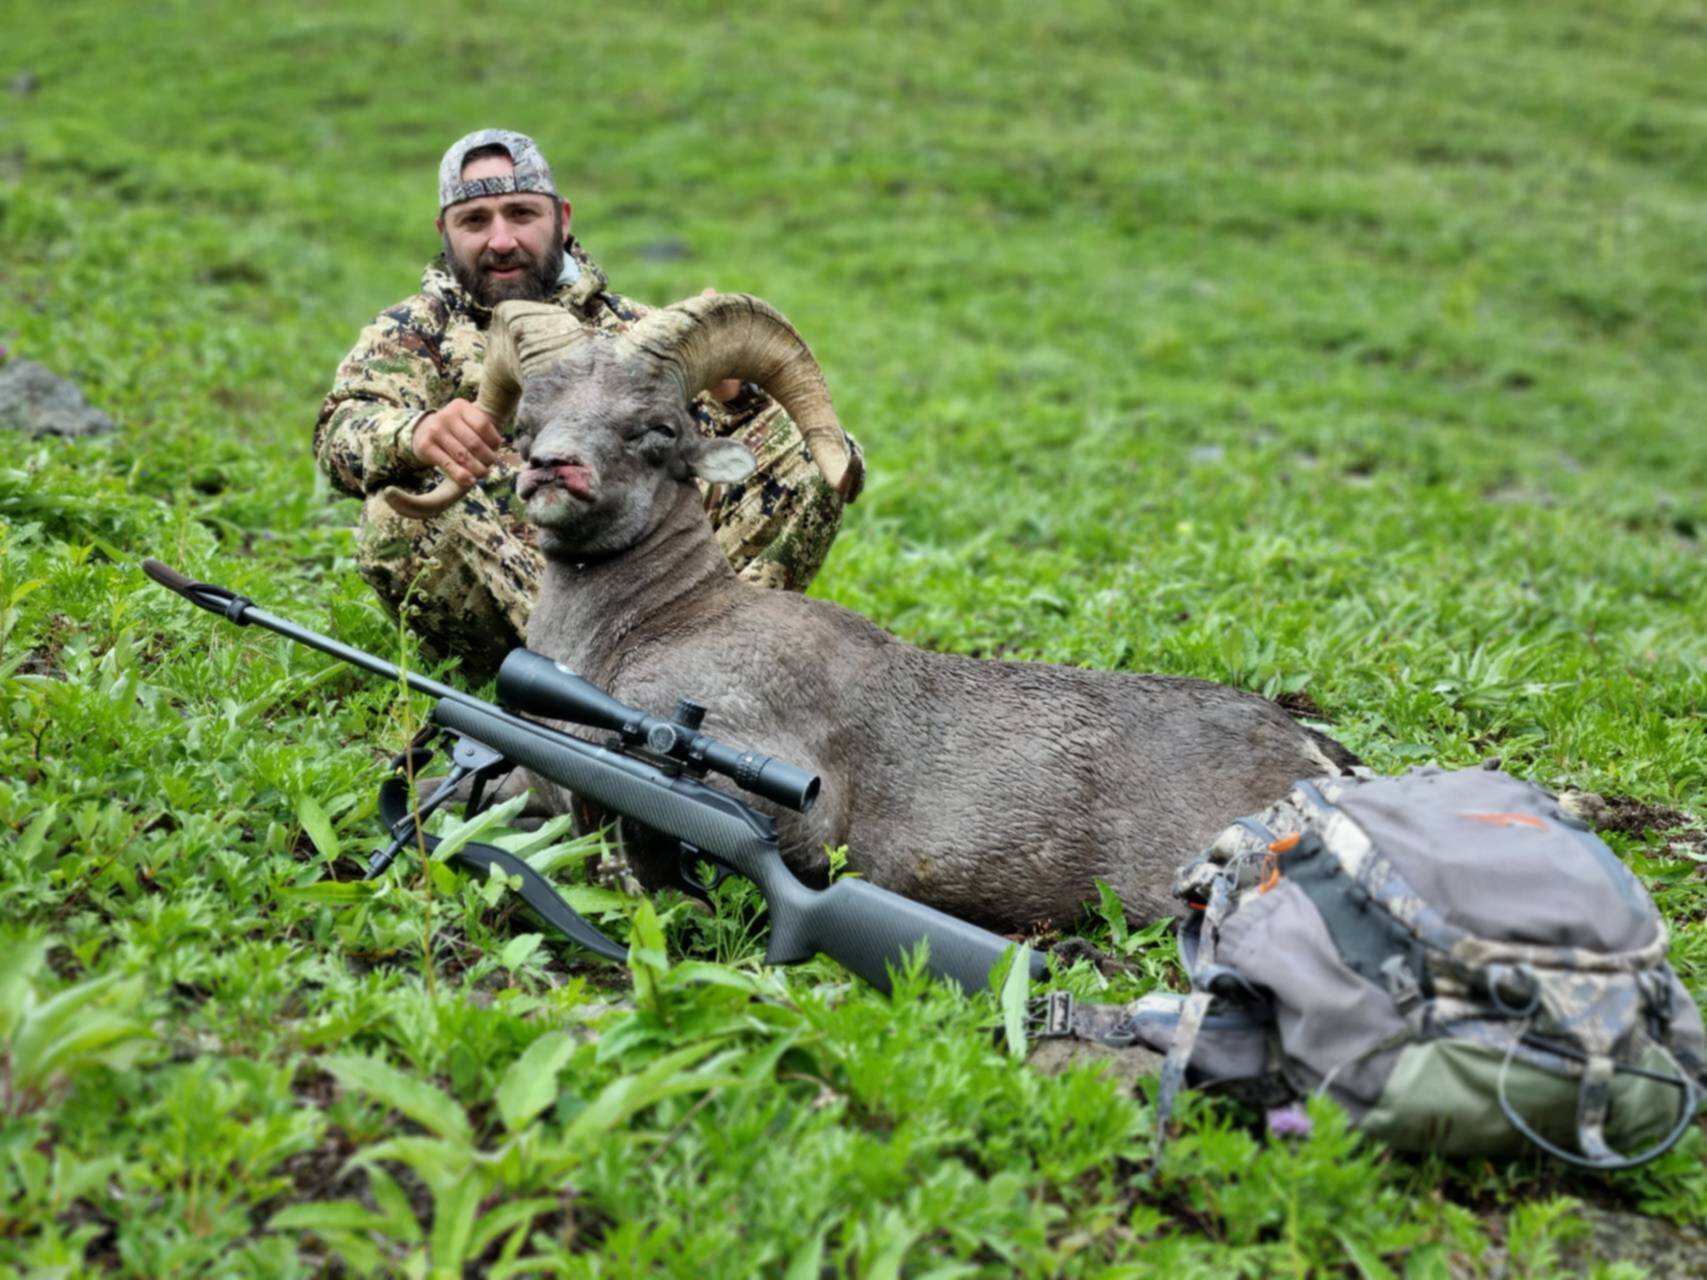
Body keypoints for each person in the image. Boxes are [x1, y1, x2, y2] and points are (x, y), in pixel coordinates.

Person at [313, 129, 863, 680]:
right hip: (515, 580)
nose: (500, 239)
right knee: (394, 515)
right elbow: (340, 427)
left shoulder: (640, 329)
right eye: (474, 220)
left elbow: (730, 456)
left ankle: (725, 664)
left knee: (808, 451)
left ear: (562, 217)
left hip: (656, 581)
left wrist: (733, 397)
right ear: (445, 230)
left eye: (521, 213)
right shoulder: (416, 332)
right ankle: (578, 682)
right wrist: (415, 432)